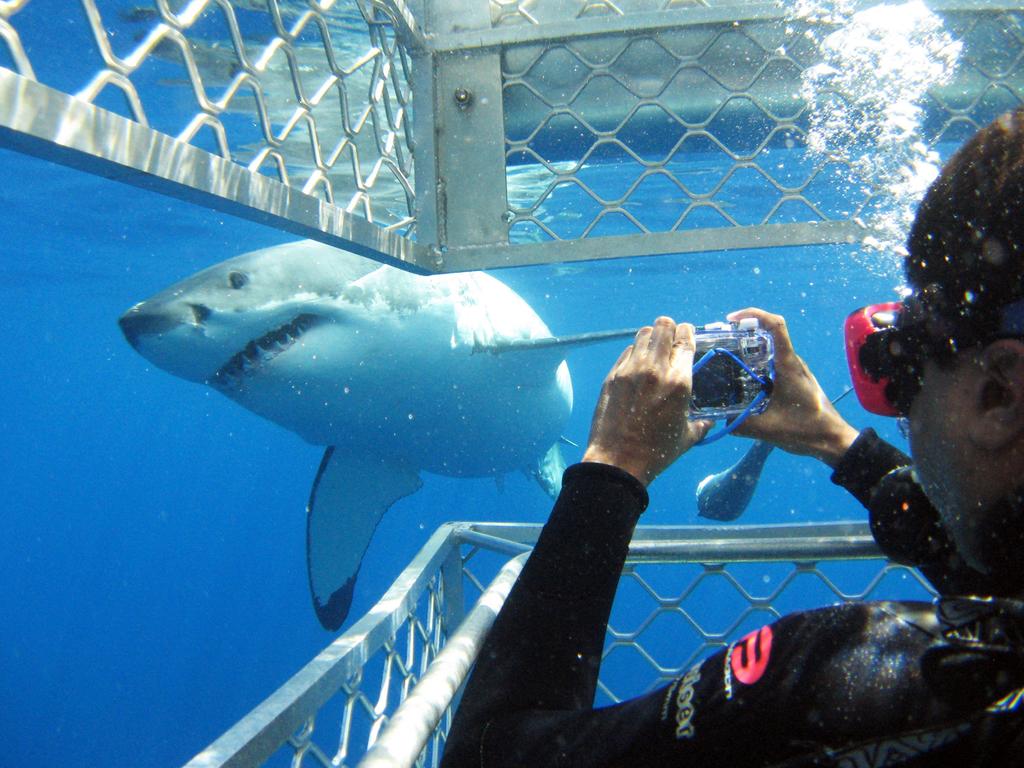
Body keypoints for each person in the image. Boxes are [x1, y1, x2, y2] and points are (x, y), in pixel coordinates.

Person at [440, 107, 1024, 767]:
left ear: (1000, 392)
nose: (899, 406)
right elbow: (995, 559)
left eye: (903, 363)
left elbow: (491, 755)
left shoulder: (870, 681)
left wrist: (612, 468)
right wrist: (838, 442)